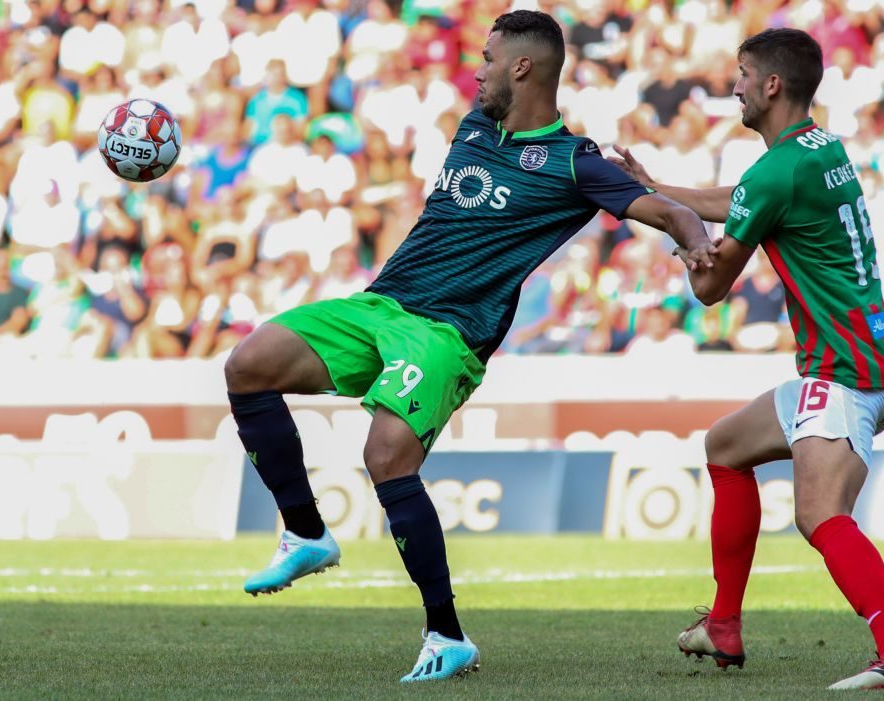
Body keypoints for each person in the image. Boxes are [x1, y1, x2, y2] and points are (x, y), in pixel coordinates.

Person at [224, 9, 715, 684]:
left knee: (385, 454)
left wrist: (695, 246)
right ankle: (306, 531)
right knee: (247, 364)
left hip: (448, 331)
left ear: (521, 67)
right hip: (380, 305)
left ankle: (445, 634)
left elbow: (669, 211)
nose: (475, 70)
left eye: (487, 59)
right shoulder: (474, 126)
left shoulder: (577, 164)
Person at [612, 28, 884, 690]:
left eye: (740, 73)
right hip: (863, 356)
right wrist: (660, 187)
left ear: (770, 85)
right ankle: (722, 625)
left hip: (841, 368)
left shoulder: (775, 172)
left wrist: (676, 234)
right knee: (725, 445)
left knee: (818, 515)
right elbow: (745, 198)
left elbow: (708, 289)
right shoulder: (817, 149)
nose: (731, 86)